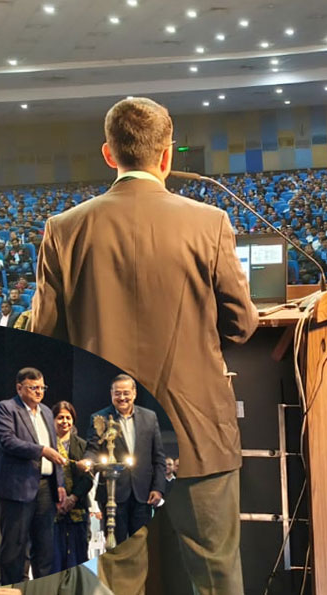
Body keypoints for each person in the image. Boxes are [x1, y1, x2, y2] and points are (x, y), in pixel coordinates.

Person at [30, 98, 259, 595]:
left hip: (109, 444)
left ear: (109, 155)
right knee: (218, 576)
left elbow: (42, 337)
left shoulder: (63, 230)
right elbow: (241, 325)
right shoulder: (209, 222)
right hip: (197, 433)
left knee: (117, 582)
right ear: (167, 155)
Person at [0, 367, 67, 584]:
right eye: (33, 387)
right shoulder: (6, 409)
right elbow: (8, 441)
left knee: (45, 547)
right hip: (17, 488)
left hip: (45, 487)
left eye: (41, 387)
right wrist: (41, 450)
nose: (38, 392)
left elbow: (55, 449)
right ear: (19, 387)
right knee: (14, 547)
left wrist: (59, 483)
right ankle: (12, 588)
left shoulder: (45, 411)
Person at [86, 375, 166, 551]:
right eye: (117, 393)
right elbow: (92, 449)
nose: (122, 398)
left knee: (141, 548)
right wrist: (87, 461)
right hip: (112, 494)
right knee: (115, 549)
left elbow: (158, 458)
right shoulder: (100, 418)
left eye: (126, 393)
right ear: (111, 394)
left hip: (143, 495)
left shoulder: (150, 418)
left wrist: (158, 488)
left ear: (134, 394)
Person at [52, 401, 95, 572]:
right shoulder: (46, 444)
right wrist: (58, 500)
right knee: (54, 560)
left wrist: (72, 498)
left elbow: (88, 478)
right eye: (60, 417)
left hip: (78, 509)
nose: (65, 422)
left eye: (68, 418)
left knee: (78, 560)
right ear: (53, 420)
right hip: (52, 510)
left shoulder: (83, 445)